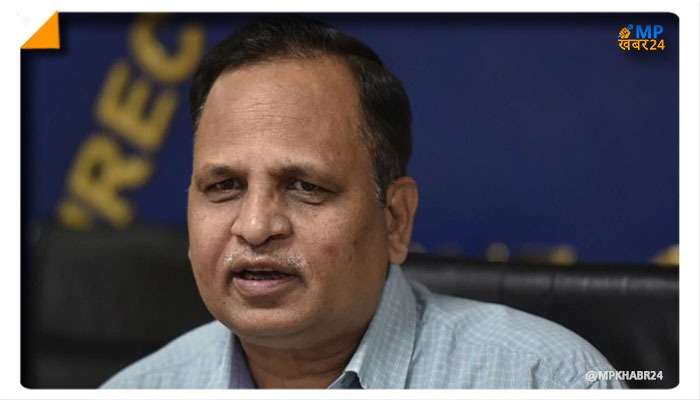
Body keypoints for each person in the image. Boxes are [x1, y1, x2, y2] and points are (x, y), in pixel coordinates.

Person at [101, 14, 624, 389]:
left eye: (306, 187)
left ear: (395, 219)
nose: (255, 226)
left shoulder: (547, 379)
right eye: (224, 187)